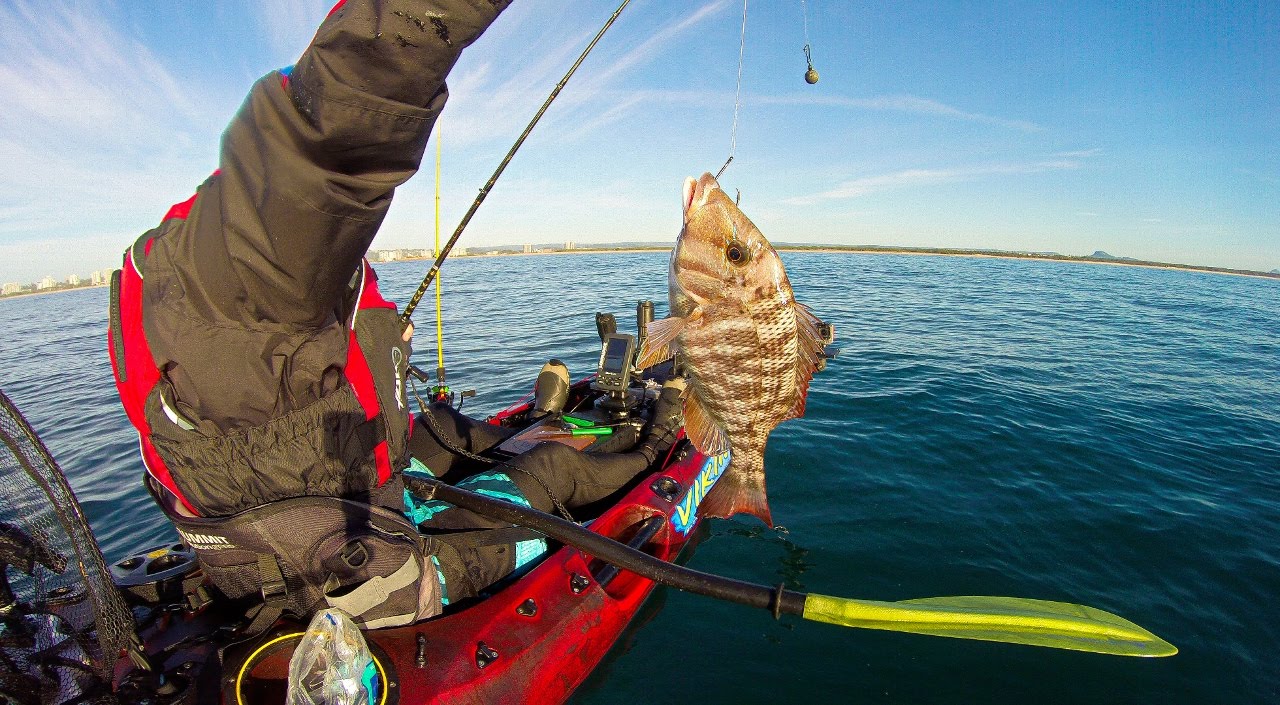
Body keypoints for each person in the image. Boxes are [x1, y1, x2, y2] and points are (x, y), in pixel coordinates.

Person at [106, 0, 683, 629]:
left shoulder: (170, 288)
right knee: (555, 468)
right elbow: (349, 111)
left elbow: (282, 356)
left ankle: (551, 418)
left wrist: (378, 340)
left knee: (446, 428)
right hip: (359, 574)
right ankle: (658, 444)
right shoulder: (238, 280)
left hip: (324, 505)